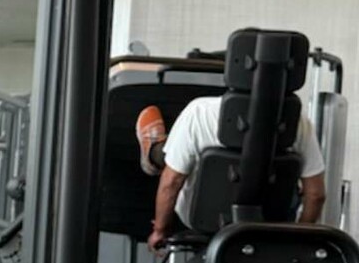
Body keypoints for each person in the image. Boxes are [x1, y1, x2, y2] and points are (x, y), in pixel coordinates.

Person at [136, 98, 326, 253]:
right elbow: (316, 195)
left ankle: (157, 152)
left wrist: (159, 230)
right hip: (269, 227)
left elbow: (171, 183)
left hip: (205, 220)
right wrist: (295, 241)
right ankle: (157, 151)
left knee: (179, 160)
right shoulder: (299, 122)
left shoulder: (199, 112)